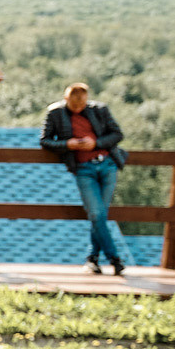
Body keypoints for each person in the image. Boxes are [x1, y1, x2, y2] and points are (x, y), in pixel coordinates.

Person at [40, 81, 128, 275]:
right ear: (66, 99)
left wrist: (95, 143)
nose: (78, 108)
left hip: (107, 165)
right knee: (97, 214)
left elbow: (117, 134)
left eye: (82, 105)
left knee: (100, 216)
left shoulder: (99, 110)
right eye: (74, 105)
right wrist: (68, 144)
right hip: (83, 168)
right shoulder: (55, 113)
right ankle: (115, 259)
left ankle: (93, 258)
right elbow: (45, 141)